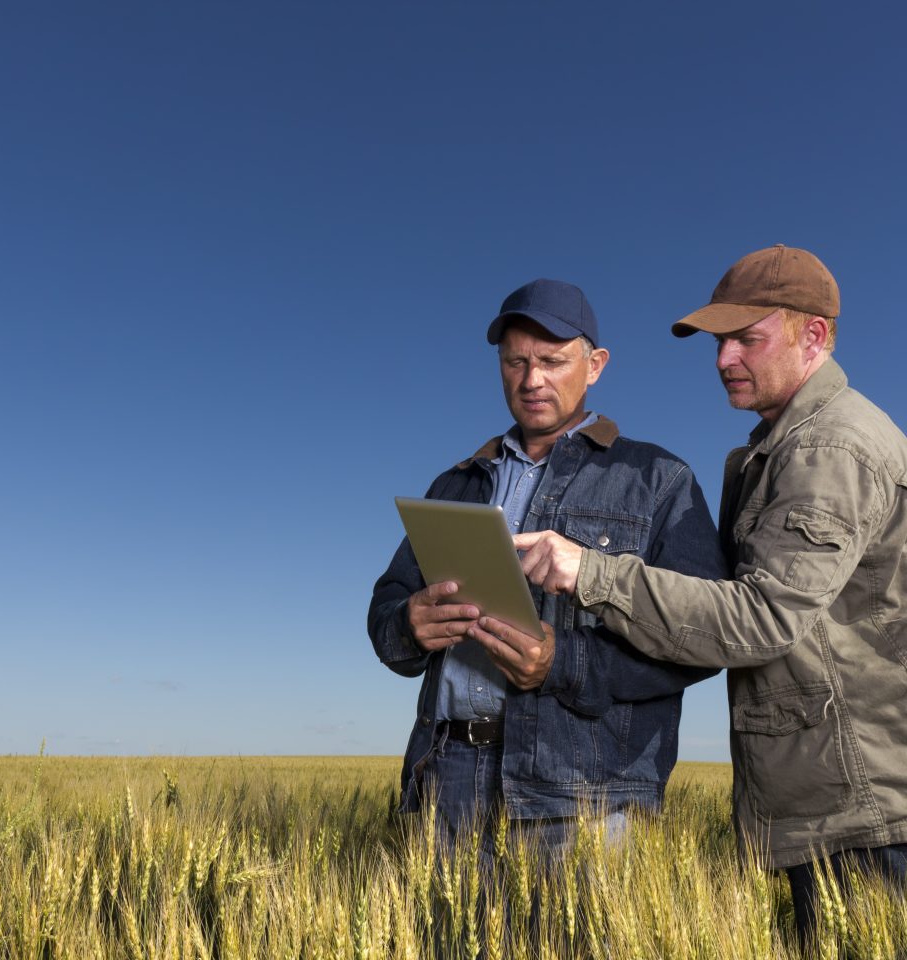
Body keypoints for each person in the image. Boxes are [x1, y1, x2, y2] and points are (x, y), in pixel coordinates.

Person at [513, 246, 907, 942]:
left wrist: (591, 572)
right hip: (831, 808)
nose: (723, 359)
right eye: (718, 341)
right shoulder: (777, 449)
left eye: (746, 339)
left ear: (812, 336)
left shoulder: (830, 449)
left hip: (864, 817)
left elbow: (762, 619)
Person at [368, 278, 725, 853]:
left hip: (584, 794)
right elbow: (387, 606)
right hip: (447, 777)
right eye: (516, 362)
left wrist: (566, 662)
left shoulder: (660, 481)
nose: (531, 380)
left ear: (596, 365)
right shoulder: (455, 484)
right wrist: (408, 624)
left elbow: (706, 639)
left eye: (553, 361)